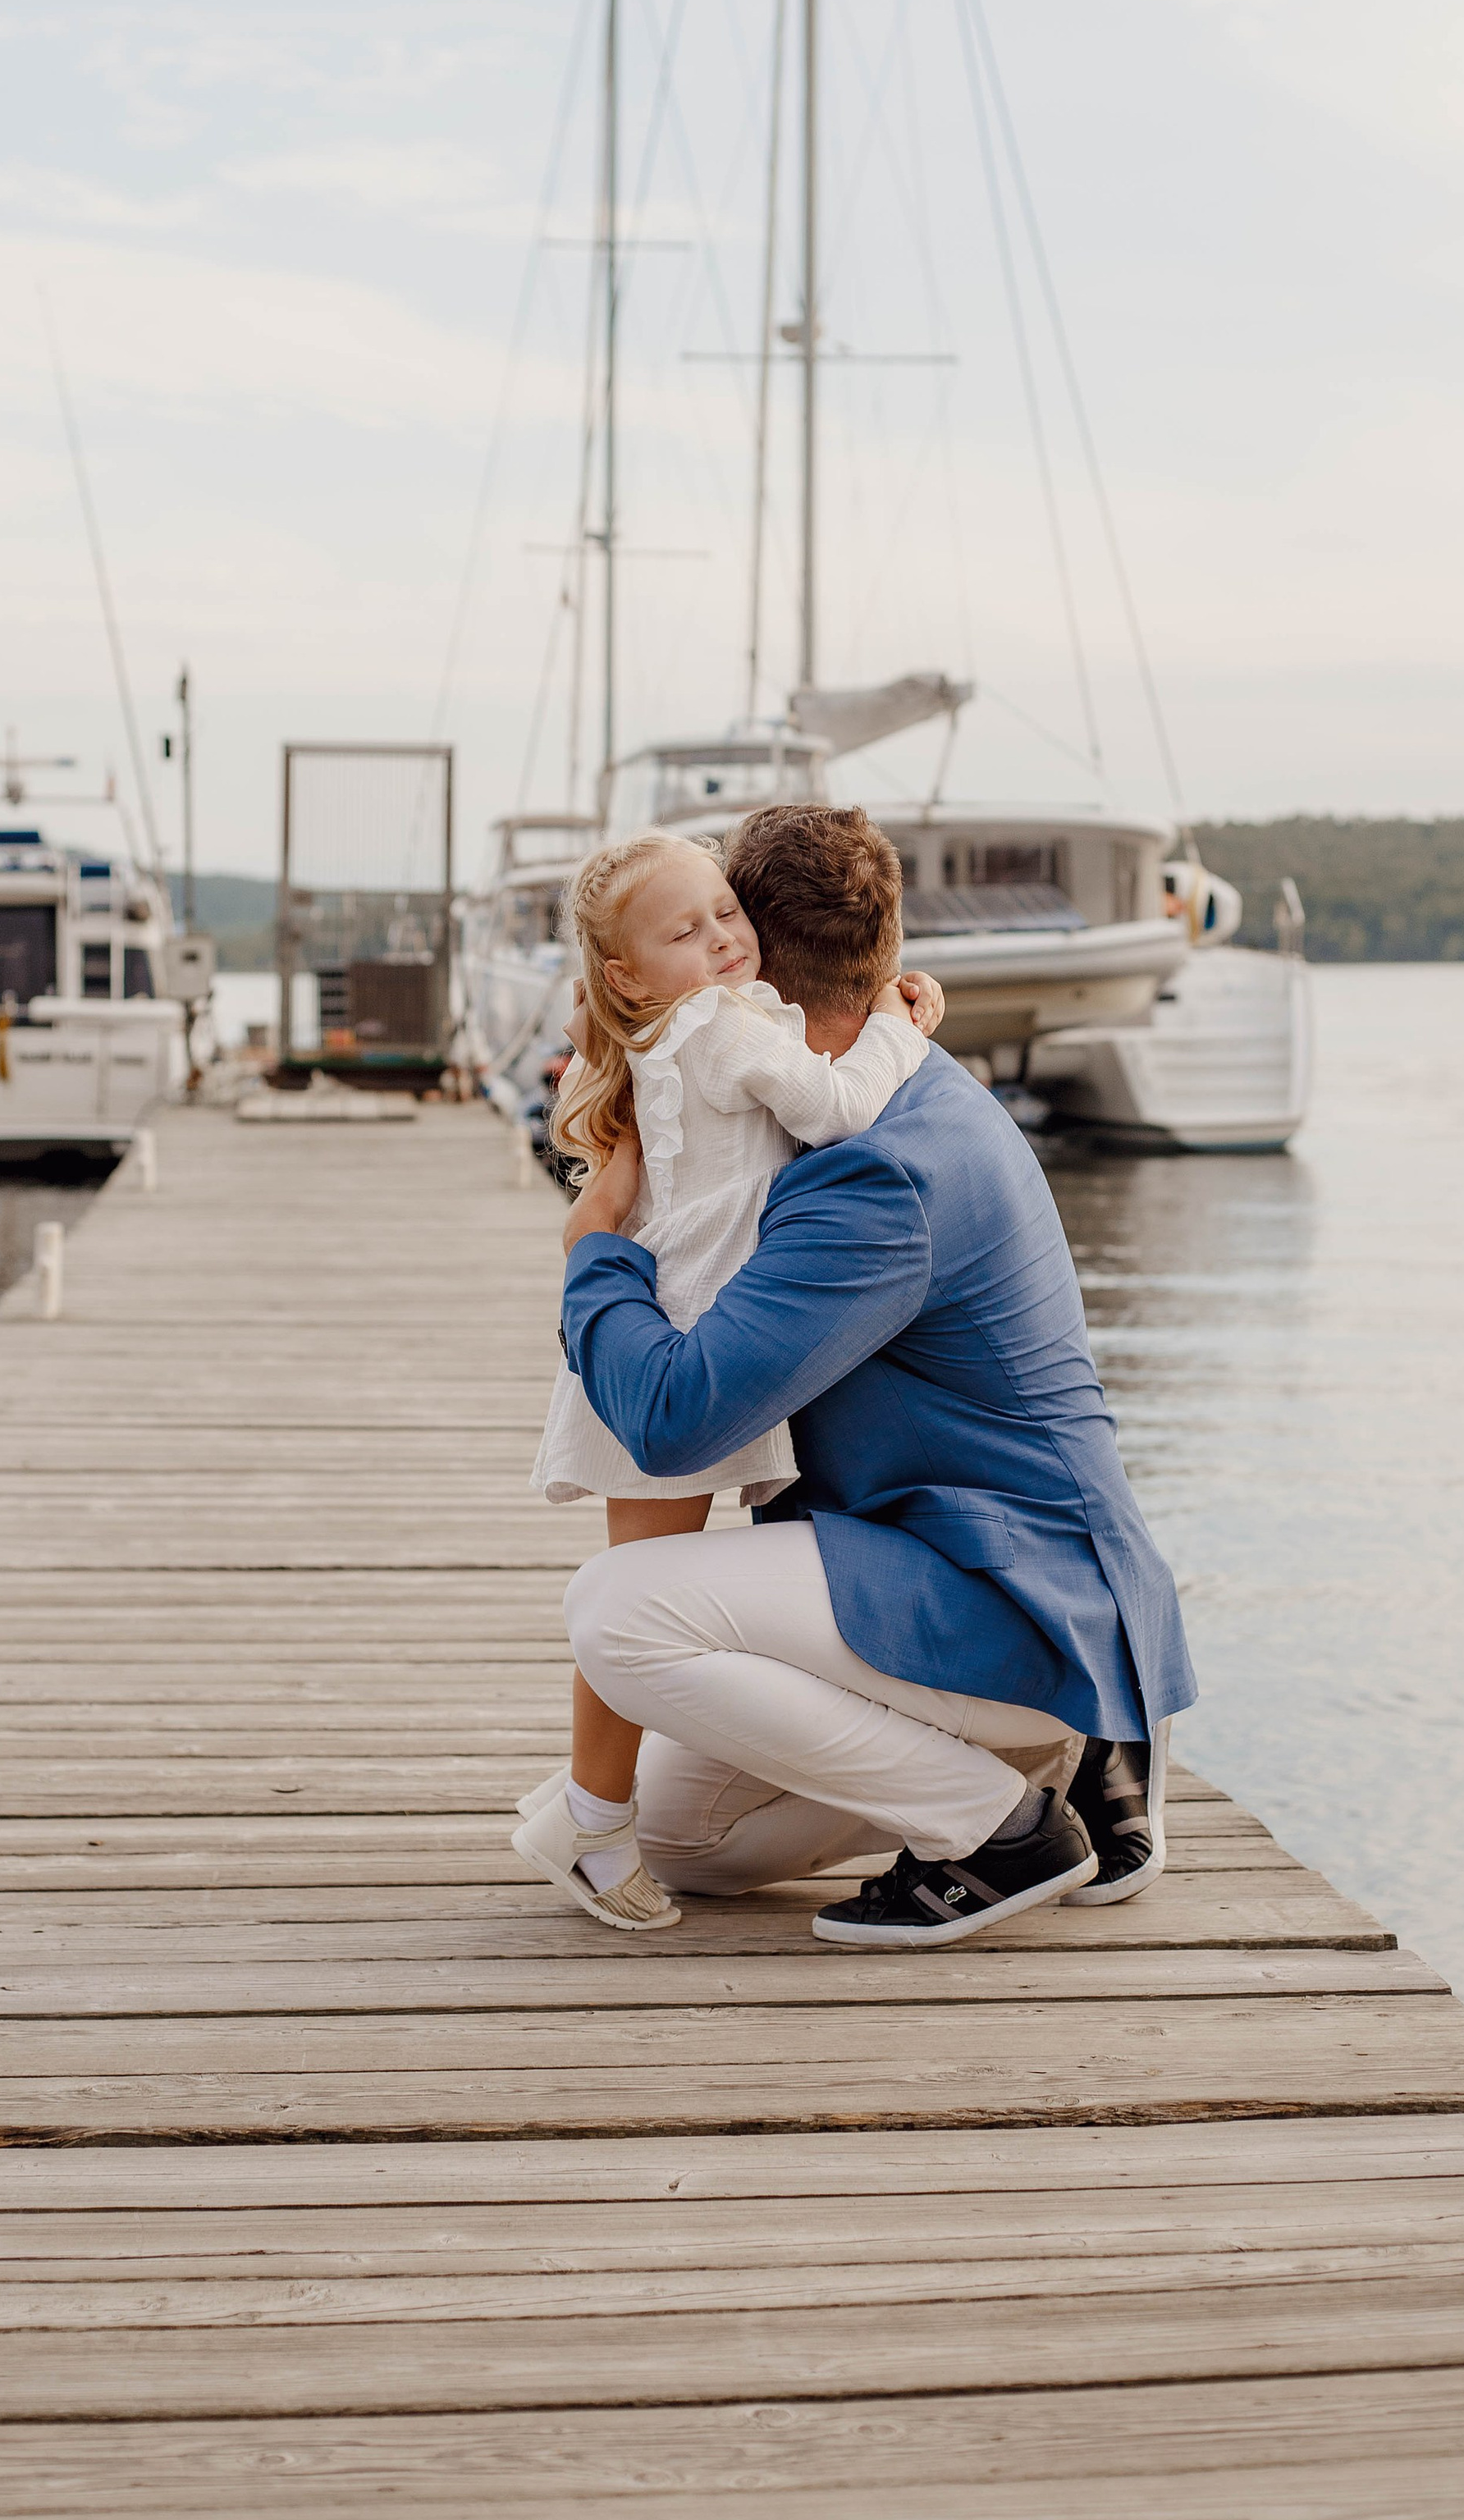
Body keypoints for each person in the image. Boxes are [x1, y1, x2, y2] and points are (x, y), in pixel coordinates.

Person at [556, 802, 1196, 1949]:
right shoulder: (893, 1085)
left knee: (616, 1613)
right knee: (682, 1840)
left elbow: (672, 1419)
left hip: (1012, 1590)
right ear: (888, 950)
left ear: (754, 967)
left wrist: (595, 1249)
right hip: (956, 1558)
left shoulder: (872, 1173)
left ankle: (1000, 1827)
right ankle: (1057, 1746)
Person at [511, 829, 945, 1932]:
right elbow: (838, 1106)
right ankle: (592, 1821)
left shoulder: (685, 1023)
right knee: (633, 1603)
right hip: (678, 1352)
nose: (719, 937)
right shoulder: (716, 1023)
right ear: (626, 973)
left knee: (641, 1592)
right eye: (683, 929)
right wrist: (901, 1029)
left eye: (723, 911)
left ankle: (599, 1806)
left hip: (677, 1334)